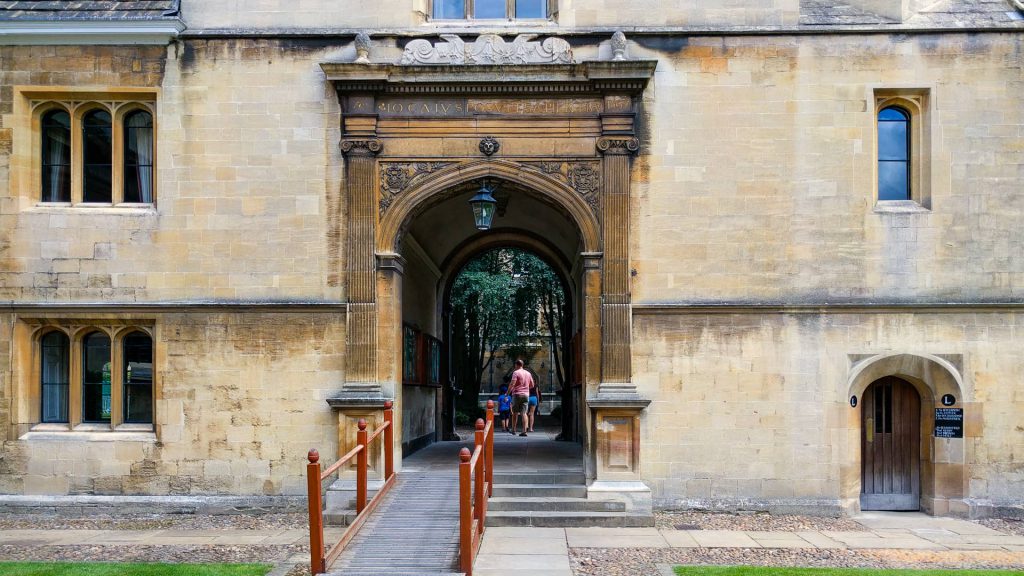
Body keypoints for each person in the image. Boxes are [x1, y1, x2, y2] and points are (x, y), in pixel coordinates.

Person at [507, 359, 533, 437]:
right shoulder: (528, 373)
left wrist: (507, 393)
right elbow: (532, 385)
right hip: (526, 395)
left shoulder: (516, 372)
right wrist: (525, 388)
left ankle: (514, 430)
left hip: (517, 394)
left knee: (515, 413)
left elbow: (512, 383)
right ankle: (524, 431)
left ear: (516, 365)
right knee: (524, 413)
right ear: (522, 365)